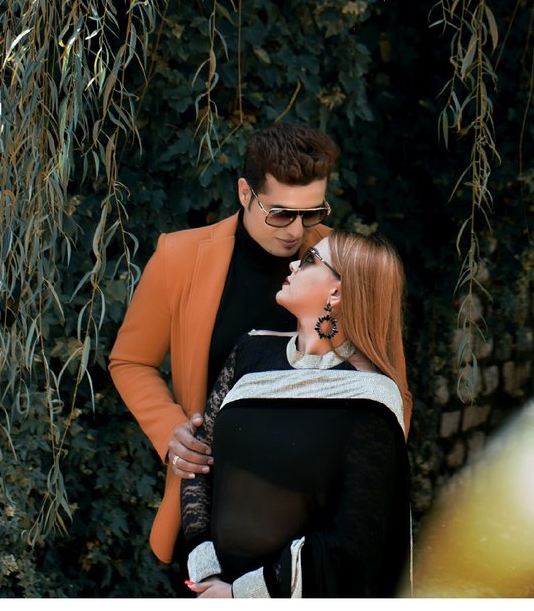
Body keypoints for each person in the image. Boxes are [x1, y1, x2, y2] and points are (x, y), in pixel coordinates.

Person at [109, 123, 339, 576]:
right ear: (243, 192)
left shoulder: (343, 260)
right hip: (208, 510)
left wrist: (361, 480)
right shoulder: (179, 257)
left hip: (314, 515)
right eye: (280, 213)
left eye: (311, 213)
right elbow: (131, 360)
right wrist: (172, 433)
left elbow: (388, 385)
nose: (297, 231)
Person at [179, 231, 413, 598]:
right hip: (211, 588)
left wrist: (243, 594)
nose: (293, 263)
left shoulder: (371, 400)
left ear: (336, 293)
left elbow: (355, 542)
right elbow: (199, 459)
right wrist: (206, 572)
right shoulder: (250, 352)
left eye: (308, 261)